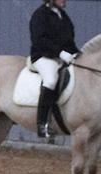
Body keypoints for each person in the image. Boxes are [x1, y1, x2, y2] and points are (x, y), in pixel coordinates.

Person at [29, 0, 78, 140]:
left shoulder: (63, 15)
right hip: (42, 56)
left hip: (59, 57)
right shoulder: (40, 15)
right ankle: (42, 123)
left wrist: (75, 53)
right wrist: (60, 53)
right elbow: (39, 40)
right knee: (51, 80)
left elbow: (69, 40)